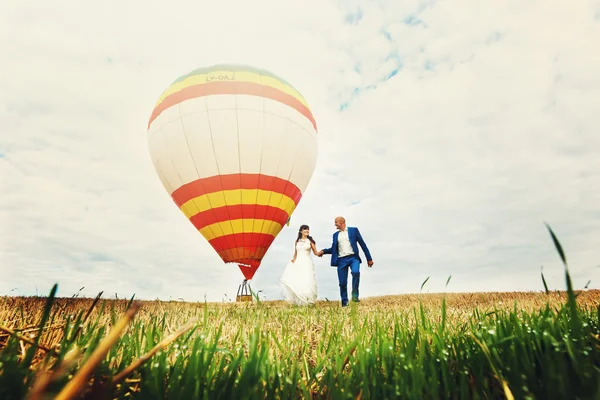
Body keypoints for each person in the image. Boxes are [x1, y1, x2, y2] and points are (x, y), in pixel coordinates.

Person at [317, 216, 373, 307]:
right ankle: (344, 303)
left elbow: (363, 244)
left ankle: (355, 296)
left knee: (355, 272)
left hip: (353, 258)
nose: (335, 224)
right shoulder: (335, 235)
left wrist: (369, 258)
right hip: (341, 260)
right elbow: (333, 249)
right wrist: (324, 251)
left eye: (336, 222)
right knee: (342, 283)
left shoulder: (353, 230)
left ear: (342, 222)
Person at [280, 224, 320, 305]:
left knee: (307, 279)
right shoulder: (297, 241)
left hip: (307, 262)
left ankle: (307, 299)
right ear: (301, 231)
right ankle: (299, 300)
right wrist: (293, 260)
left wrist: (323, 252)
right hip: (298, 261)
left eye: (308, 229)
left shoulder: (310, 241)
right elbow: (295, 253)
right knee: (298, 279)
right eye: (305, 229)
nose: (307, 231)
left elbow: (316, 252)